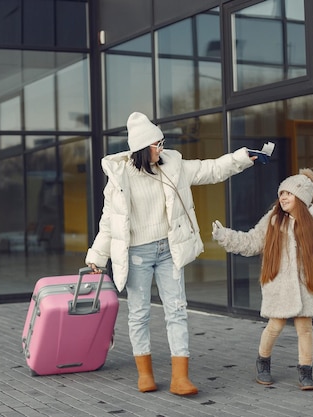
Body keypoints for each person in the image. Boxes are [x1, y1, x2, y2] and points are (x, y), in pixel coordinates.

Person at [85, 111, 256, 395]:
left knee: (176, 311)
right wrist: (97, 256)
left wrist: (241, 158)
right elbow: (109, 221)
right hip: (137, 254)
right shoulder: (119, 177)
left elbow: (209, 169)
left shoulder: (172, 167)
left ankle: (180, 378)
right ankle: (145, 374)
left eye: (163, 143)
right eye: (157, 145)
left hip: (169, 250)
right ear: (142, 147)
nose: (162, 149)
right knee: (139, 313)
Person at [211, 168, 313, 390]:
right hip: (279, 286)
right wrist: (225, 236)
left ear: (301, 197)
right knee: (274, 326)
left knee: (305, 328)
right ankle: (263, 361)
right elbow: (251, 241)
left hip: (305, 286)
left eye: (288, 193)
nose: (282, 197)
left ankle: (306, 371)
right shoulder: (272, 220)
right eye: (281, 193)